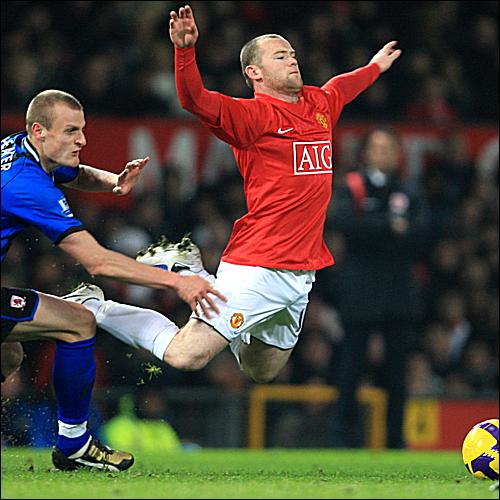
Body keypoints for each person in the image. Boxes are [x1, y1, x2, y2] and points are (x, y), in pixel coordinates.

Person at [66, 5, 401, 387]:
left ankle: (201, 278)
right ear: (254, 73)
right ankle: (99, 308)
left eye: (292, 53)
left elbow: (342, 86)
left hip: (301, 271)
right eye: (280, 55)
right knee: (185, 355)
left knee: (262, 369)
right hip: (258, 265)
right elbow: (194, 99)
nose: (292, 59)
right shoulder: (251, 117)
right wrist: (184, 51)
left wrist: (374, 67)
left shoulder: (318, 105)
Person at [1, 89, 224, 471]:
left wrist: (112, 183)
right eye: (71, 131)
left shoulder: (18, 147)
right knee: (78, 322)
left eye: (83, 130)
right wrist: (175, 283)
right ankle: (74, 442)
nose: (82, 140)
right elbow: (98, 262)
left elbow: (74, 173)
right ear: (39, 131)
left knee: (9, 354)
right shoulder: (24, 183)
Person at [318, 127, 430, 448]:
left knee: (396, 374)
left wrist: (376, 229)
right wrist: (390, 228)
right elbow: (342, 222)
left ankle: (396, 441)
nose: (383, 153)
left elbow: (423, 231)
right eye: (377, 147)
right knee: (350, 369)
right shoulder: (351, 187)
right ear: (366, 152)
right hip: (361, 293)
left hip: (398, 293)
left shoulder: (408, 189)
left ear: (398, 154)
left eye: (389, 148)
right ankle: (343, 440)